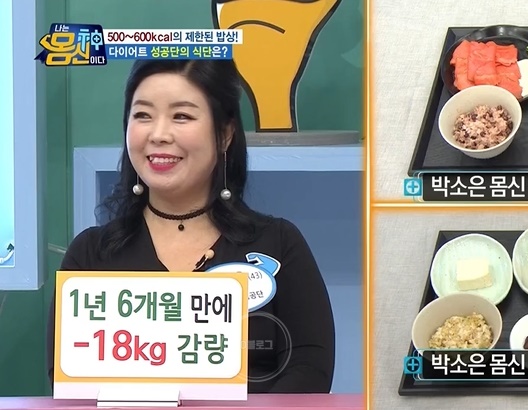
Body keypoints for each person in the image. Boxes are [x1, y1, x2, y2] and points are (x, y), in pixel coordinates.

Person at [45, 59, 335, 393]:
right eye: (143, 115)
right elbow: (69, 381)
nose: (158, 134)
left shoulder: (279, 243)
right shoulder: (89, 256)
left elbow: (309, 370)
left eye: (181, 116)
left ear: (225, 134)